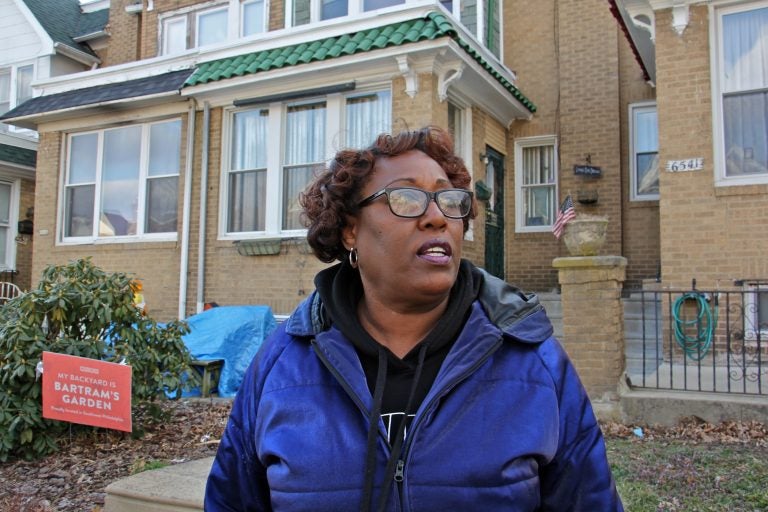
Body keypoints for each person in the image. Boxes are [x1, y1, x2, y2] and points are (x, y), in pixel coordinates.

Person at [205, 126, 624, 511]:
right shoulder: (281, 365)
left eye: (450, 200)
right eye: (406, 199)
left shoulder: (534, 363)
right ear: (350, 230)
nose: (437, 216)